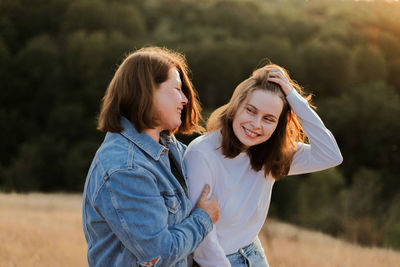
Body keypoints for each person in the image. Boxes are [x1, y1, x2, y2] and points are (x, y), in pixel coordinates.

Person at [184, 64, 343, 266]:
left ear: (277, 125)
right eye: (250, 110)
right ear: (235, 107)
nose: (256, 124)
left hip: (254, 255)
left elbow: (330, 155)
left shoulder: (272, 153)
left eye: (269, 118)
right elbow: (203, 241)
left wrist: (293, 98)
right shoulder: (202, 153)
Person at [82, 46, 220, 267]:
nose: (185, 99)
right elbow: (159, 254)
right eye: (177, 88)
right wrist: (204, 218)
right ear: (146, 91)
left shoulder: (168, 147)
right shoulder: (126, 168)